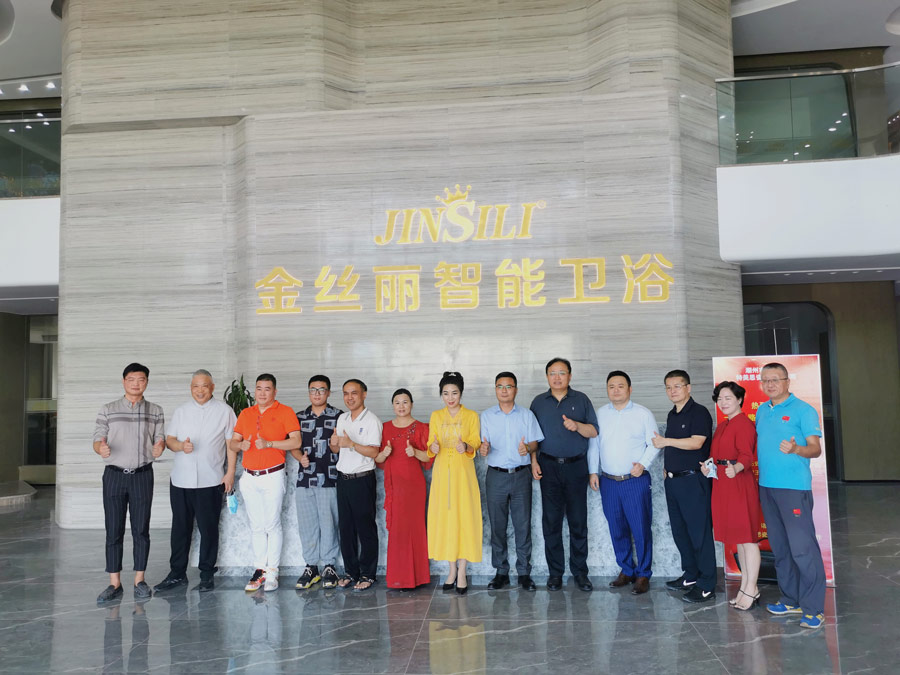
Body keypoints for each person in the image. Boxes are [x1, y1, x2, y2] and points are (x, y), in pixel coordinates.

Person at [756, 362, 826, 629]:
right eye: (765, 380)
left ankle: (813, 608)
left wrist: (797, 449)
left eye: (775, 379)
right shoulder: (762, 410)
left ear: (787, 381)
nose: (770, 384)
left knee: (802, 549)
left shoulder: (803, 410)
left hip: (794, 489)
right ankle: (790, 599)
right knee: (781, 548)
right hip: (767, 487)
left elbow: (815, 449)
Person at [154, 369, 237, 593]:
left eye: (204, 386)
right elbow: (170, 440)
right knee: (180, 529)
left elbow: (231, 444)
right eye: (195, 386)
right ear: (191, 388)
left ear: (212, 387)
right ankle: (177, 574)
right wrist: (182, 446)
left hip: (211, 480)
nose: (200, 390)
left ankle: (207, 574)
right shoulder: (181, 411)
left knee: (209, 530)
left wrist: (230, 472)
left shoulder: (225, 411)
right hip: (181, 480)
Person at [93, 363, 165, 603]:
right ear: (124, 381)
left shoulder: (155, 411)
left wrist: (160, 446)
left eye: (141, 379)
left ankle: (139, 580)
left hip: (143, 475)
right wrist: (100, 448)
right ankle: (114, 583)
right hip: (114, 475)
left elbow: (160, 439)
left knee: (141, 529)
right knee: (113, 529)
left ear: (147, 382)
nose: (136, 383)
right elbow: (97, 439)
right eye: (132, 379)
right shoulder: (108, 409)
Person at [588, 370, 659, 595]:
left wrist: (643, 465)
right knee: (616, 528)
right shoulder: (600, 414)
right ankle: (627, 570)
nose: (616, 390)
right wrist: (593, 472)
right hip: (608, 482)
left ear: (630, 389)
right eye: (611, 386)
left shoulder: (643, 414)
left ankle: (643, 574)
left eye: (620, 386)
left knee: (640, 528)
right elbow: (594, 446)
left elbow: (654, 443)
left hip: (634, 480)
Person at [529, 358, 598, 592]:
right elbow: (532, 438)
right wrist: (534, 461)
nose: (557, 377)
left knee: (578, 521)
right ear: (547, 376)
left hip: (576, 467)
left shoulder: (581, 400)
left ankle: (580, 573)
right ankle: (555, 573)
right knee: (551, 522)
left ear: (570, 375)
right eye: (552, 373)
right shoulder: (538, 402)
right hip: (548, 466)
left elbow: (593, 431)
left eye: (561, 373)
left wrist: (577, 426)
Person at [229, 374, 301, 592]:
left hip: (273, 475)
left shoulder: (285, 411)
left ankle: (272, 573)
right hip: (249, 477)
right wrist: (240, 446)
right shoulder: (246, 413)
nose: (262, 393)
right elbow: (233, 443)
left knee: (272, 524)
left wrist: (270, 443)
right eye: (259, 388)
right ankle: (259, 570)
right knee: (257, 526)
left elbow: (296, 441)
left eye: (267, 389)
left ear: (274, 392)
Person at [652, 369, 716, 604]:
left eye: (677, 386)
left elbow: (696, 442)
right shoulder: (672, 414)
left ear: (688, 388)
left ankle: (707, 584)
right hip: (673, 481)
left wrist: (665, 441)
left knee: (699, 534)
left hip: (693, 482)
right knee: (680, 532)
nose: (673, 391)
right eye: (668, 387)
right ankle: (691, 575)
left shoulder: (699, 412)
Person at [479, 371, 544, 592]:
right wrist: (483, 448)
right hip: (496, 476)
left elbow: (535, 443)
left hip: (521, 475)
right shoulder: (486, 416)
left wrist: (528, 448)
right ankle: (501, 572)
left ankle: (524, 572)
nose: (504, 390)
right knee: (497, 525)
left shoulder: (526, 415)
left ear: (516, 389)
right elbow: (482, 445)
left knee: (522, 525)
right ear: (495, 390)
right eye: (500, 386)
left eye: (508, 386)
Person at [701, 380, 761, 611]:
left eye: (728, 398)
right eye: (720, 399)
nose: (723, 402)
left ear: (739, 399)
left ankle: (751, 588)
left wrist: (736, 468)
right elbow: (715, 456)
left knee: (748, 539)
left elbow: (747, 455)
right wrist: (708, 467)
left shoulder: (743, 424)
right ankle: (747, 587)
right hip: (723, 483)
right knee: (739, 540)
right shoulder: (723, 425)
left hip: (739, 484)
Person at [427, 371, 482, 595]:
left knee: (464, 518)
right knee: (447, 520)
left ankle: (462, 571)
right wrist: (433, 447)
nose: (450, 398)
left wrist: (466, 446)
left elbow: (475, 441)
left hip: (463, 474)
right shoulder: (436, 416)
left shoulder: (471, 416)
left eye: (454, 393)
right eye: (446, 393)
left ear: (461, 394)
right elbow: (430, 443)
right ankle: (451, 570)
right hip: (442, 476)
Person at [374, 388, 433, 590]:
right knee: (397, 531)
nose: (401, 406)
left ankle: (418, 577)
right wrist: (385, 453)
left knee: (415, 529)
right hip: (395, 485)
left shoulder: (422, 427)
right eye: (397, 402)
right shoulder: (384, 428)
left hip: (414, 486)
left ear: (412, 404)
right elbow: (377, 459)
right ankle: (398, 578)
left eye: (405, 402)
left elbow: (429, 457)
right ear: (393, 406)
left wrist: (415, 452)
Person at [290, 375, 343, 591]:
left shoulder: (339, 416)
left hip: (330, 478)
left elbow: (343, 445)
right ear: (308, 392)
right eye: (313, 389)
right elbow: (293, 446)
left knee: (329, 523)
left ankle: (329, 566)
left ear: (328, 392)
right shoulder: (298, 417)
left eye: (321, 390)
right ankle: (311, 567)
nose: (317, 393)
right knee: (307, 525)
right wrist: (299, 457)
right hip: (305, 479)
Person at [330, 378, 382, 591]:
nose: (349, 397)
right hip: (343, 479)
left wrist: (351, 443)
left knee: (365, 528)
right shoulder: (342, 418)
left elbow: (374, 452)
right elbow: (336, 449)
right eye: (346, 393)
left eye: (354, 393)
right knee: (346, 529)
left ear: (364, 394)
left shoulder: (372, 421)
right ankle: (351, 572)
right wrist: (334, 444)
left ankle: (368, 574)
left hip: (362, 479)